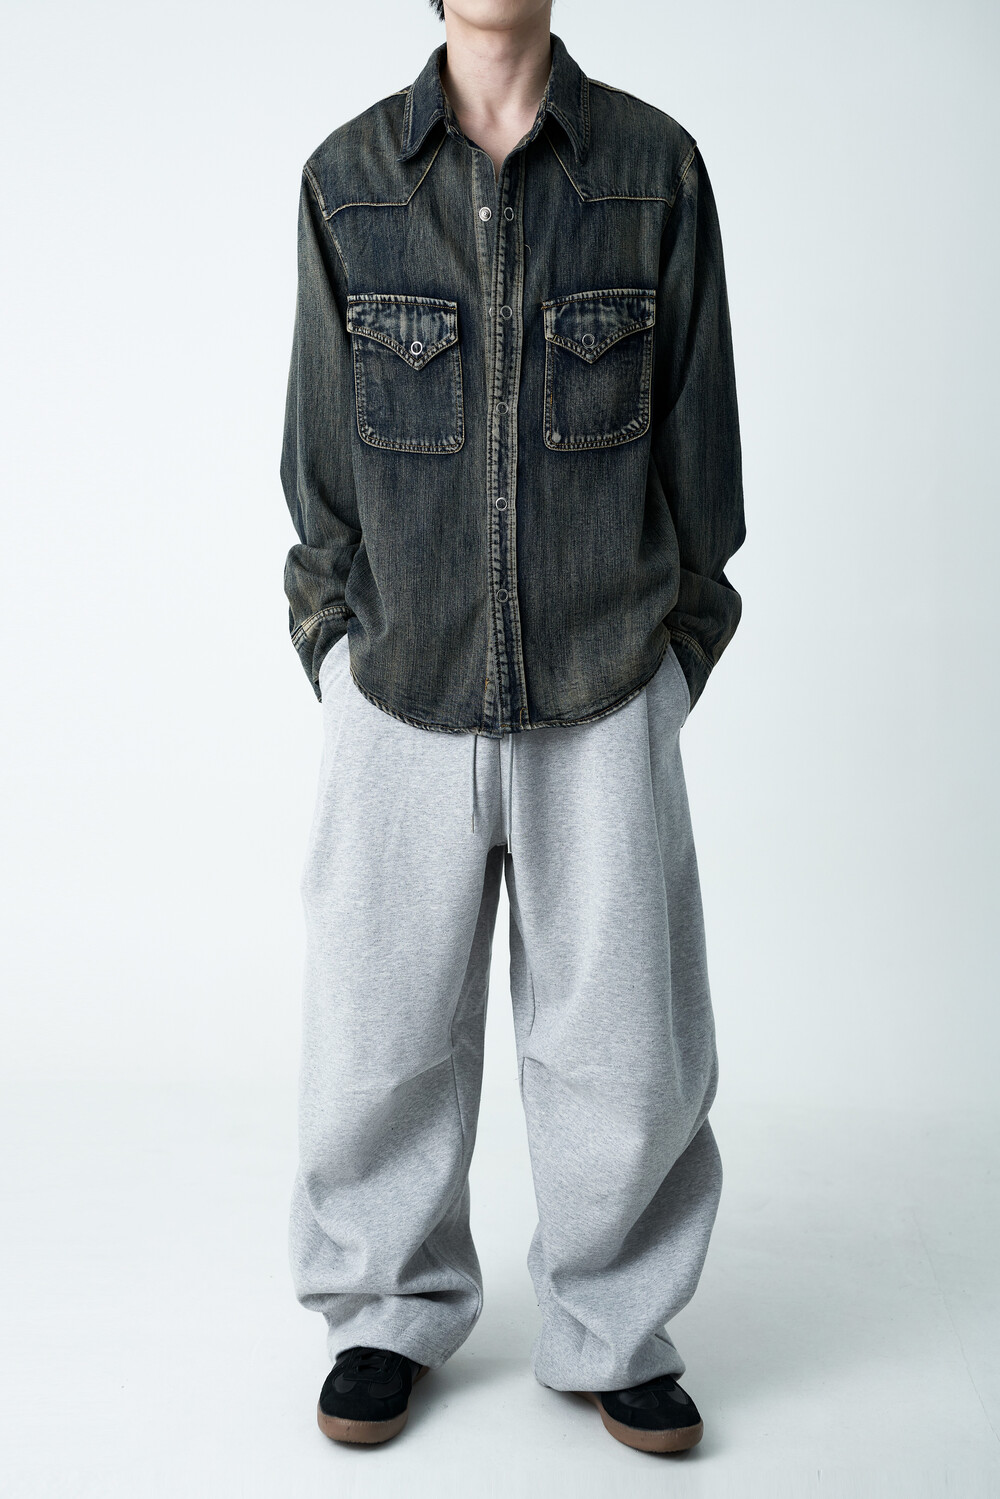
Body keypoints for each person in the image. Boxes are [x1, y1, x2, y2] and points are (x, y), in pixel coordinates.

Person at [279, 0, 745, 1456]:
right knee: (378, 1037)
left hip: (605, 678)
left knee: (626, 1044)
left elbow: (703, 457)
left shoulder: (654, 170)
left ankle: (616, 1325)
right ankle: (385, 1309)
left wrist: (671, 662)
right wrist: (336, 650)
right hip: (399, 684)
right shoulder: (349, 177)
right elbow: (318, 470)